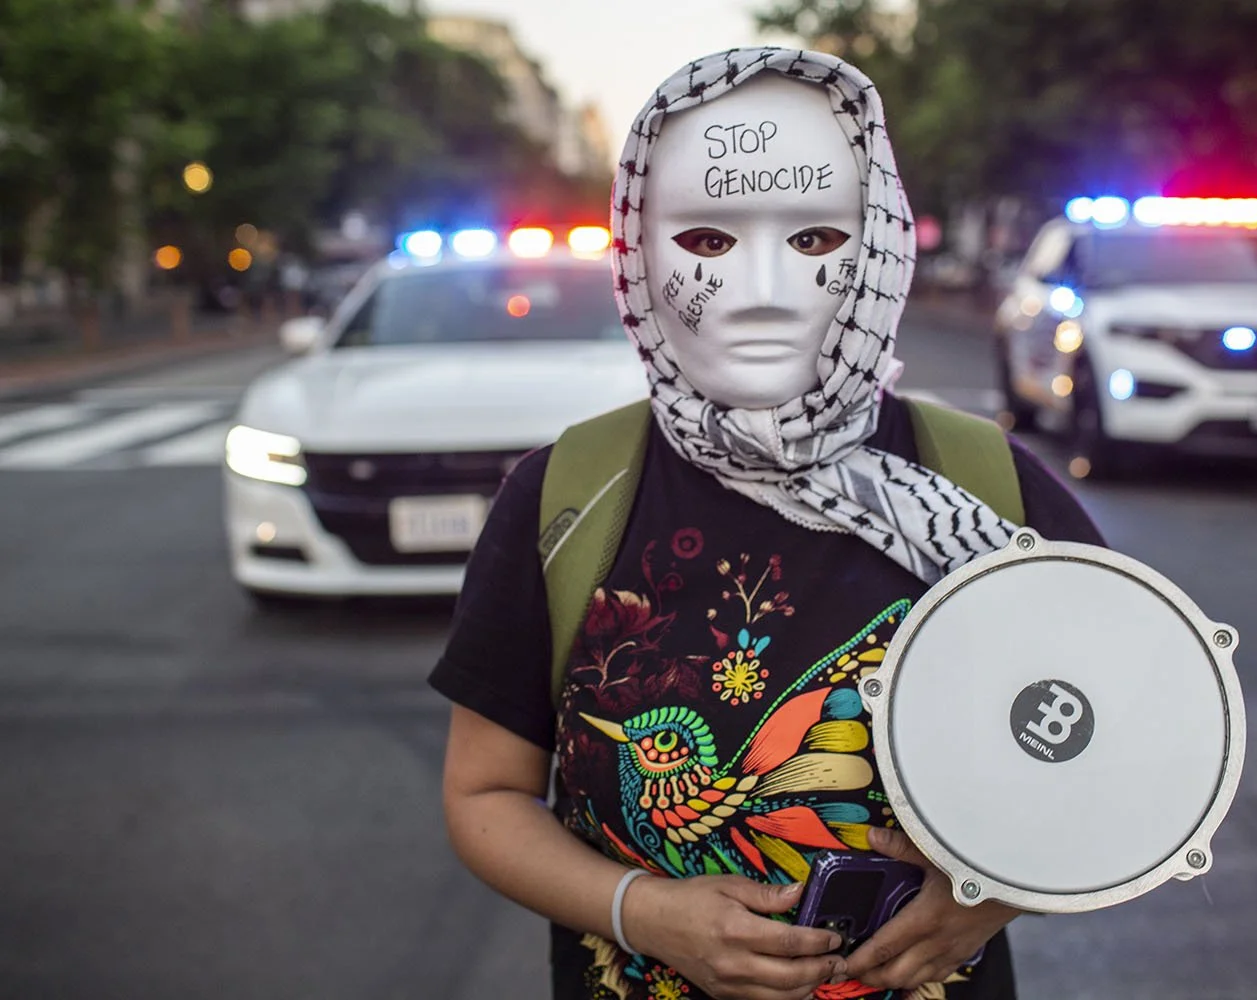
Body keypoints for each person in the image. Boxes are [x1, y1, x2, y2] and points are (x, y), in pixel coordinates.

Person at [431, 47, 1105, 1000]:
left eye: (815, 239)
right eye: (707, 240)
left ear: (875, 243)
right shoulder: (567, 498)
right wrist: (642, 910)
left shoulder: (988, 489)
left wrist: (996, 892)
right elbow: (484, 794)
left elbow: (1125, 745)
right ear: (638, 246)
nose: (761, 289)